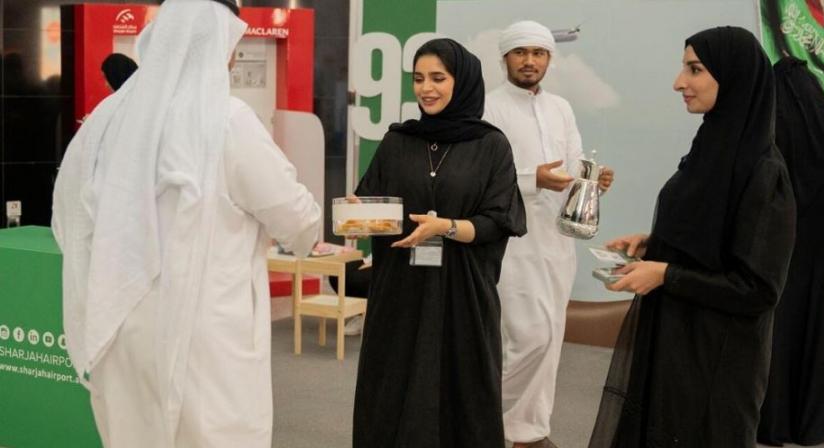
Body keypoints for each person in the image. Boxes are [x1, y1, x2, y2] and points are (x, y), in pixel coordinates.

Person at [51, 1, 321, 447]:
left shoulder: (109, 116)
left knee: (135, 431)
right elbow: (292, 213)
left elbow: (72, 212)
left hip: (121, 318)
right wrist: (309, 233)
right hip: (203, 328)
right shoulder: (225, 120)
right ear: (221, 43)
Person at [587, 26, 796, 448]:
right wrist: (655, 244)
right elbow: (712, 235)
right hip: (673, 343)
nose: (678, 82)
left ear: (732, 77)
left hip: (715, 363)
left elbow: (757, 289)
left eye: (695, 69)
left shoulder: (764, 173)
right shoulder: (710, 148)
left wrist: (666, 274)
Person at [352, 38, 527, 447]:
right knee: (392, 384)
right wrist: (360, 217)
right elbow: (374, 202)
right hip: (399, 288)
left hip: (463, 291)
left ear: (460, 81)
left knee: (460, 386)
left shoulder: (491, 146)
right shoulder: (398, 141)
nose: (426, 88)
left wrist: (445, 227)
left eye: (437, 78)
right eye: (418, 79)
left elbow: (498, 222)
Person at [482, 21, 614, 448]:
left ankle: (530, 432)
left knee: (551, 339)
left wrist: (593, 179)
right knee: (527, 339)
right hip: (513, 241)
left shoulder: (561, 108)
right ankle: (479, 419)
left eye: (537, 53)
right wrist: (531, 178)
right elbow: (484, 176)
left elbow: (574, 163)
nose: (529, 61)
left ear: (548, 60)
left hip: (557, 241)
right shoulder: (490, 108)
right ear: (505, 58)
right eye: (520, 52)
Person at [757, 56, 824, 446]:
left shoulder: (771, 131)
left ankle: (775, 422)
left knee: (779, 334)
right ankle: (819, 423)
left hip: (785, 253)